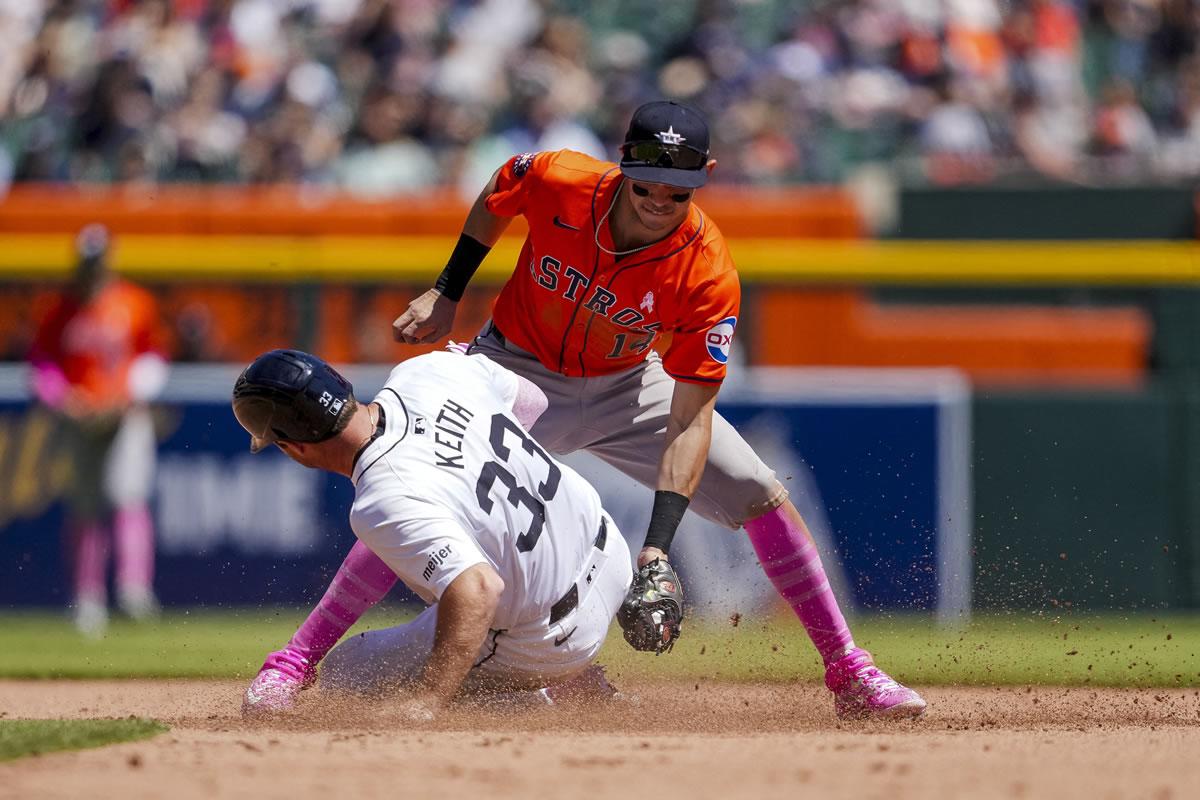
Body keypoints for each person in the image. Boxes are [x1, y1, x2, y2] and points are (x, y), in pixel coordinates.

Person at [250, 101, 925, 720]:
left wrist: (658, 547)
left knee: (758, 490)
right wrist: (449, 290)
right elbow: (495, 195)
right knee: (413, 484)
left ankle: (851, 673)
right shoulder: (561, 179)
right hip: (514, 365)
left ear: (706, 176)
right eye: (646, 184)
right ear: (622, 165)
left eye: (678, 190)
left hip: (626, 383)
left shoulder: (708, 271)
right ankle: (296, 660)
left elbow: (689, 419)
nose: (660, 201)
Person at [234, 348, 631, 718]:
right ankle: (577, 679)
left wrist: (428, 699)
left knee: (346, 675)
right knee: (474, 546)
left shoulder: (383, 498)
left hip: (552, 638)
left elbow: (478, 589)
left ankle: (541, 693)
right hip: (611, 555)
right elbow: (532, 401)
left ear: (293, 448)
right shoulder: (428, 370)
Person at [29, 224, 167, 636]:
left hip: (124, 414)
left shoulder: (133, 301)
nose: (93, 268)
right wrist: (63, 398)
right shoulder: (59, 310)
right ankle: (87, 599)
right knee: (86, 508)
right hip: (80, 417)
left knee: (128, 497)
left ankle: (133, 591)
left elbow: (152, 358)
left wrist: (130, 394)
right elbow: (42, 365)